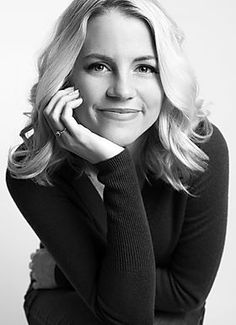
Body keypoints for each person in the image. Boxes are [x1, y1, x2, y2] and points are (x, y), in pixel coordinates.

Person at [6, 0, 229, 324]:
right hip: (67, 304)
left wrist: (60, 272)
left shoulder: (200, 148)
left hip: (169, 313)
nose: (123, 90)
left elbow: (187, 293)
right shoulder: (33, 168)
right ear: (67, 76)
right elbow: (125, 317)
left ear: (166, 78)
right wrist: (117, 166)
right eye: (99, 66)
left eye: (145, 68)